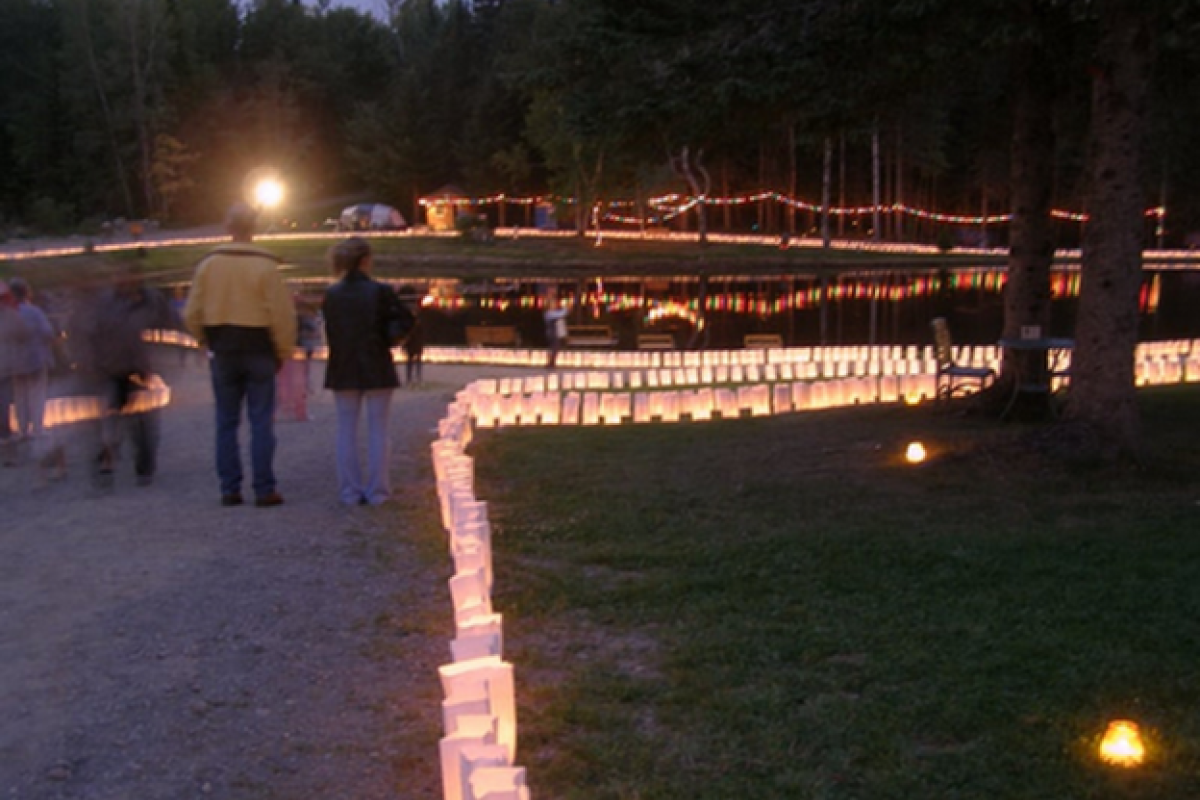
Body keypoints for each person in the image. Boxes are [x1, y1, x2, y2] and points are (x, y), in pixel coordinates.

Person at [184, 203, 297, 507]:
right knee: (261, 421)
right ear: (253, 228)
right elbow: (282, 315)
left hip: (223, 347)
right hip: (259, 347)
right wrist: (283, 349)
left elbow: (192, 310)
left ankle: (229, 488)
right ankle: (264, 488)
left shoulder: (209, 265)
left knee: (226, 421)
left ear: (227, 227)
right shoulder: (266, 267)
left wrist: (202, 338)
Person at [321, 237, 413, 506]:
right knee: (378, 430)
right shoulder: (380, 291)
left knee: (346, 430)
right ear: (365, 260)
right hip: (376, 362)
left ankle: (349, 491)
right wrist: (390, 338)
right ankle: (378, 491)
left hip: (343, 364)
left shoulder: (333, 294)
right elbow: (406, 319)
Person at [73, 264, 178, 487]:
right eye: (119, 275)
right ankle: (106, 464)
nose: (123, 280)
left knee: (143, 425)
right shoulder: (105, 303)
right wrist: (89, 363)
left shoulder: (151, 301)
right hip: (111, 368)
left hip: (141, 368)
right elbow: (89, 333)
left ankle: (143, 466)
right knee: (111, 421)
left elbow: (170, 325)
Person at [8, 278, 57, 472]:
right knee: (37, 393)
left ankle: (22, 429)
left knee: (19, 395)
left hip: (13, 360)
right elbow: (47, 332)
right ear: (26, 292)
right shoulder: (34, 312)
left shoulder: (6, 313)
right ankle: (37, 427)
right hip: (35, 357)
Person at [398, 286, 425, 387]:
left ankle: (414, 377)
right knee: (413, 359)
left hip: (414, 339)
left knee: (414, 359)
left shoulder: (408, 314)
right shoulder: (413, 313)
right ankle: (412, 378)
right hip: (413, 340)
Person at [543, 286, 568, 368]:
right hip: (552, 332)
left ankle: (551, 362)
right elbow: (561, 314)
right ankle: (551, 363)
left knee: (554, 347)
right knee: (554, 346)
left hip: (553, 332)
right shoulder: (549, 313)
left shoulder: (550, 312)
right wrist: (566, 309)